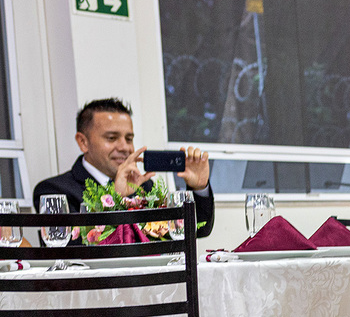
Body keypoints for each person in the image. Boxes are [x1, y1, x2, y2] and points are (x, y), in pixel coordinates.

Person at [33, 98, 215, 237]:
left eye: (129, 139)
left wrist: (199, 188)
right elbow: (65, 243)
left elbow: (196, 231)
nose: (125, 147)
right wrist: (115, 197)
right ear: (83, 142)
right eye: (111, 138)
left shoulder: (145, 187)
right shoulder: (54, 190)